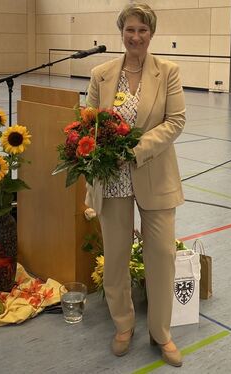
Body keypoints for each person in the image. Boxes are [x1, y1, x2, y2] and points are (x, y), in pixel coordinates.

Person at [84, 2, 186, 368]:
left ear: (151, 34)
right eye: (130, 29)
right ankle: (123, 325)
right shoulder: (101, 74)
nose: (136, 36)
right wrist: (98, 147)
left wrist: (134, 150)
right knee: (115, 257)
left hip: (154, 173)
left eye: (143, 30)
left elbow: (175, 121)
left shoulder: (168, 72)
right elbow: (89, 123)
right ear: (121, 32)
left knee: (162, 256)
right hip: (111, 178)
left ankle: (161, 333)